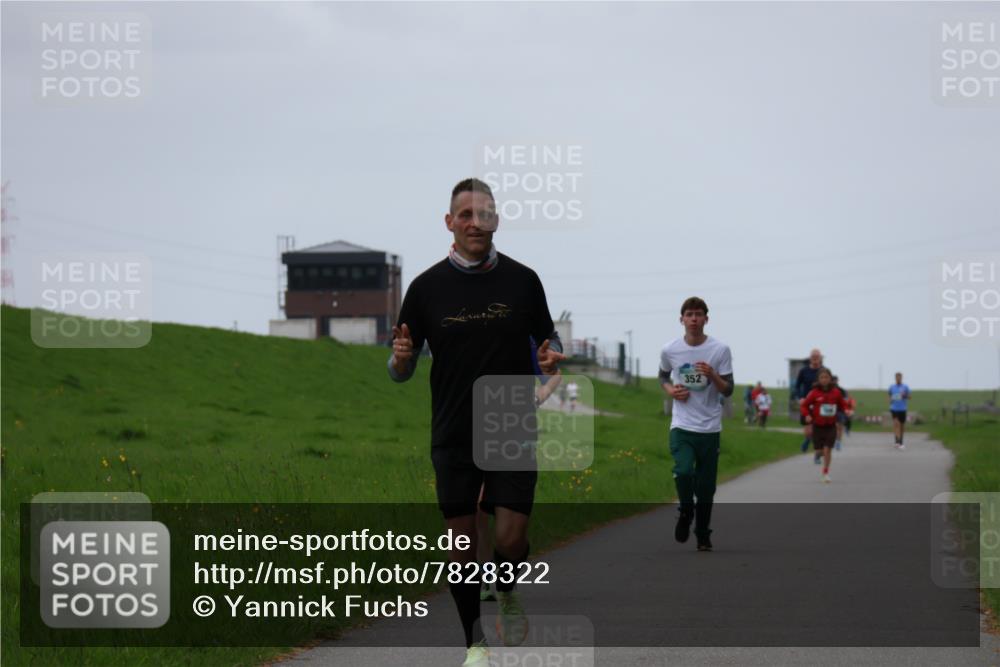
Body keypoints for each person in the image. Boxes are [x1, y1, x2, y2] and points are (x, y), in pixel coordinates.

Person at [389, 178, 564, 666]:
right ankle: (475, 644)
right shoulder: (425, 289)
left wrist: (551, 356)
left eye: (483, 214)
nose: (474, 223)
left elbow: (549, 339)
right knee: (462, 543)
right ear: (449, 222)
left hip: (511, 423)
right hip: (453, 430)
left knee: (510, 537)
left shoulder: (523, 280)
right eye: (464, 214)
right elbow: (401, 368)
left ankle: (505, 586)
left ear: (496, 220)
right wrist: (400, 359)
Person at [659, 297, 734, 552]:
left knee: (705, 488)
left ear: (706, 319)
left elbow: (728, 389)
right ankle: (685, 510)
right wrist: (671, 390)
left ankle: (703, 534)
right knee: (683, 471)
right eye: (689, 314)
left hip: (709, 428)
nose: (693, 319)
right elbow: (662, 375)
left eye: (698, 314)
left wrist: (712, 374)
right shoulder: (670, 349)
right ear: (681, 319)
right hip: (682, 425)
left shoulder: (720, 350)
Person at [800, 367, 847, 483]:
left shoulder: (836, 392)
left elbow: (843, 405)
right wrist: (807, 415)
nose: (824, 380)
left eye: (826, 377)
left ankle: (825, 473)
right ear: (818, 379)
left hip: (831, 426)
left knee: (828, 450)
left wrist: (847, 410)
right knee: (819, 451)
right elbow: (804, 406)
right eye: (822, 377)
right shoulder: (814, 393)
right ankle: (817, 454)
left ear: (830, 378)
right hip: (817, 426)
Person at [795, 349, 824, 463]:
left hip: (820, 403)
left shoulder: (824, 371)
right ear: (810, 358)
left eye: (817, 357)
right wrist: (800, 398)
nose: (815, 359)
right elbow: (797, 386)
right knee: (809, 431)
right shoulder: (804, 371)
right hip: (806, 403)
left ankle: (817, 455)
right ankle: (807, 440)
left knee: (819, 431)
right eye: (813, 357)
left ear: (820, 358)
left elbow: (830, 386)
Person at [888, 372, 911, 449]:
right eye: (897, 377)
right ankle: (897, 441)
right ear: (895, 378)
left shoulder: (905, 387)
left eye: (899, 377)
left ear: (901, 378)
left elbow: (910, 397)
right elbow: (889, 397)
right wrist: (891, 399)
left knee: (902, 426)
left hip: (903, 408)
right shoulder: (892, 387)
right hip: (894, 408)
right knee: (896, 423)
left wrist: (905, 395)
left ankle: (901, 440)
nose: (898, 379)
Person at [832, 375, 849, 451]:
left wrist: (846, 409)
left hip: (840, 411)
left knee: (840, 427)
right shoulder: (828, 389)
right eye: (833, 380)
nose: (834, 382)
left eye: (835, 380)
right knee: (834, 428)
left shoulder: (841, 390)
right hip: (831, 411)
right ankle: (834, 441)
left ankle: (838, 442)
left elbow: (846, 401)